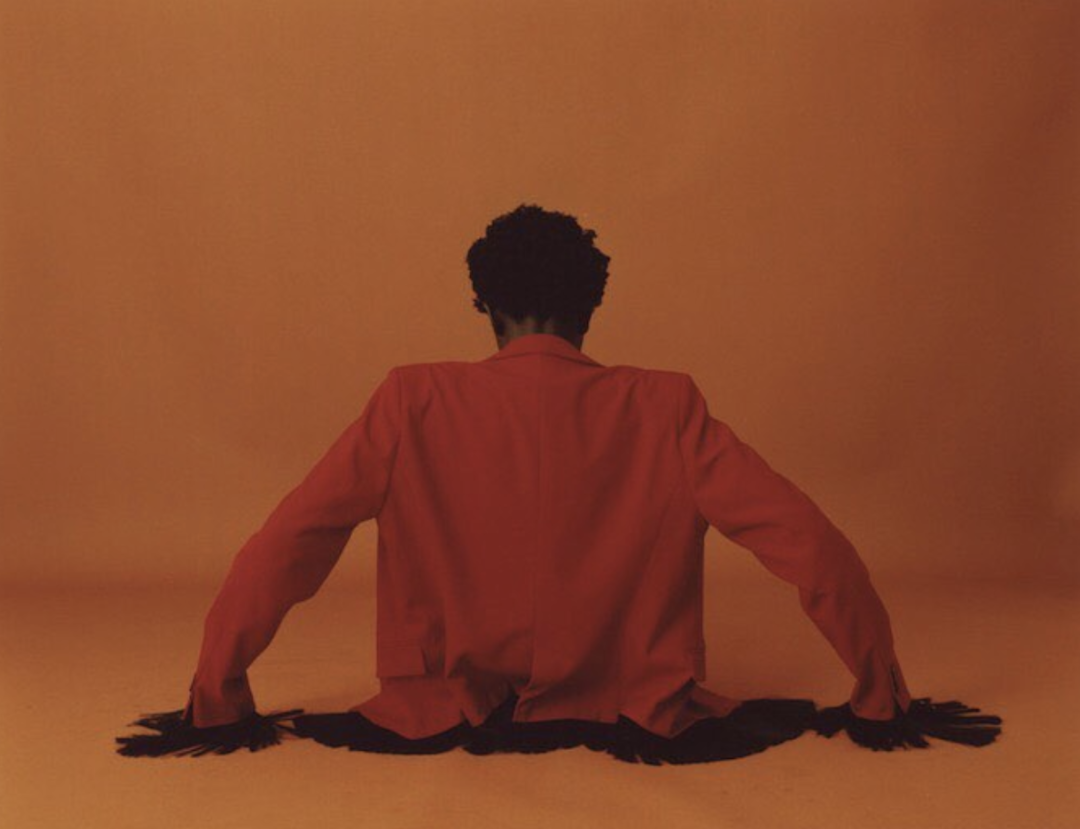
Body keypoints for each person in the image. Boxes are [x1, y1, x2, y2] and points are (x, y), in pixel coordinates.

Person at [116, 203, 1002, 763]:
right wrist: (878, 692)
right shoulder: (666, 406)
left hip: (443, 714)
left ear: (485, 304)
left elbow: (289, 544)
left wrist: (218, 695)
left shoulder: (413, 400)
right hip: (634, 714)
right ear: (590, 306)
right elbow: (808, 541)